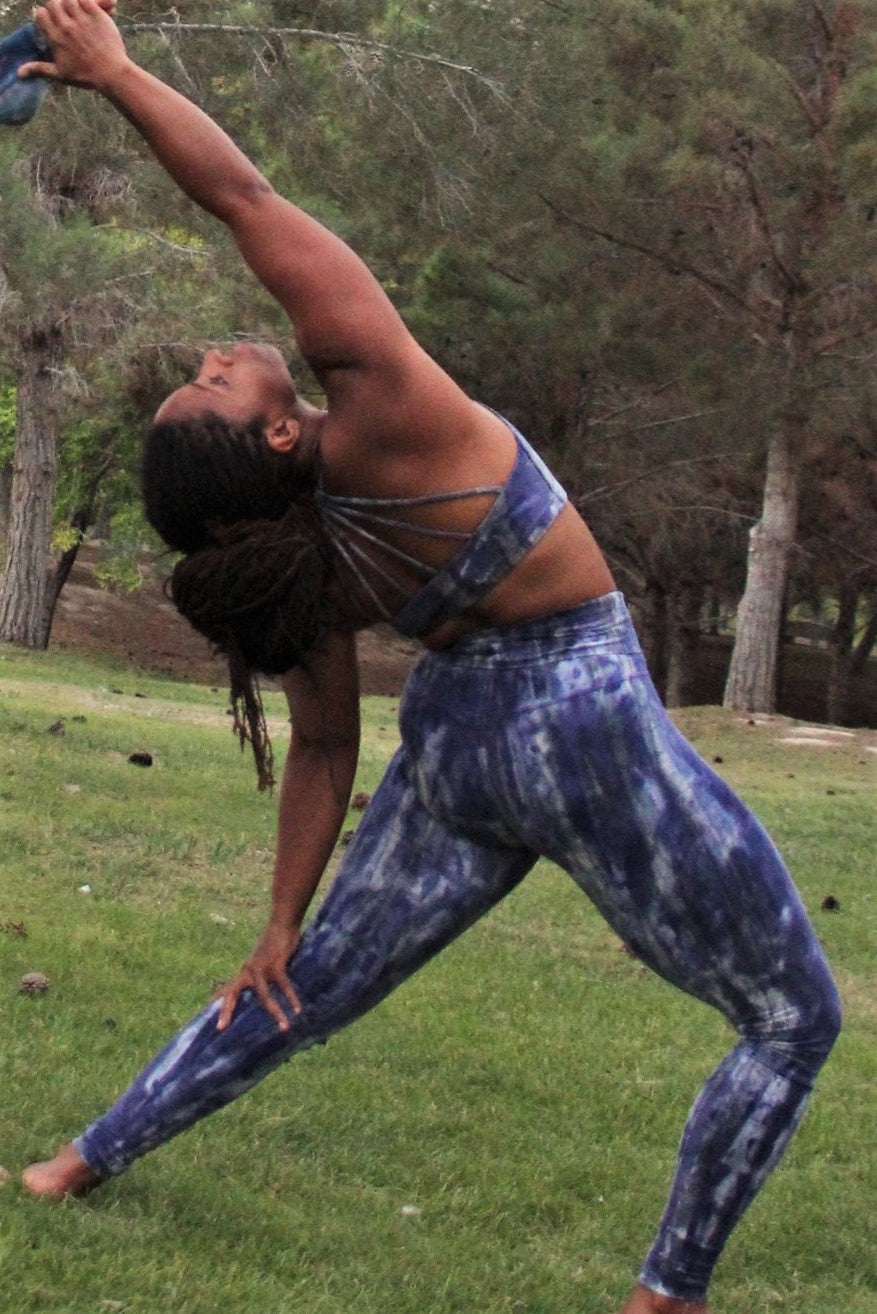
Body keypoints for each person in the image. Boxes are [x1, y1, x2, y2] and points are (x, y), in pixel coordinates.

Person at [18, 5, 841, 1312]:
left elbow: (327, 743)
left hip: (458, 741)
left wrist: (280, 924)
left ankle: (76, 1162)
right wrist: (116, 76)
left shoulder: (303, 556)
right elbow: (241, 196)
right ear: (276, 436)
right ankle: (668, 1293)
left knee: (301, 988)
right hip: (579, 720)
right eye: (216, 383)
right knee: (794, 1017)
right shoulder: (383, 402)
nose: (216, 354)